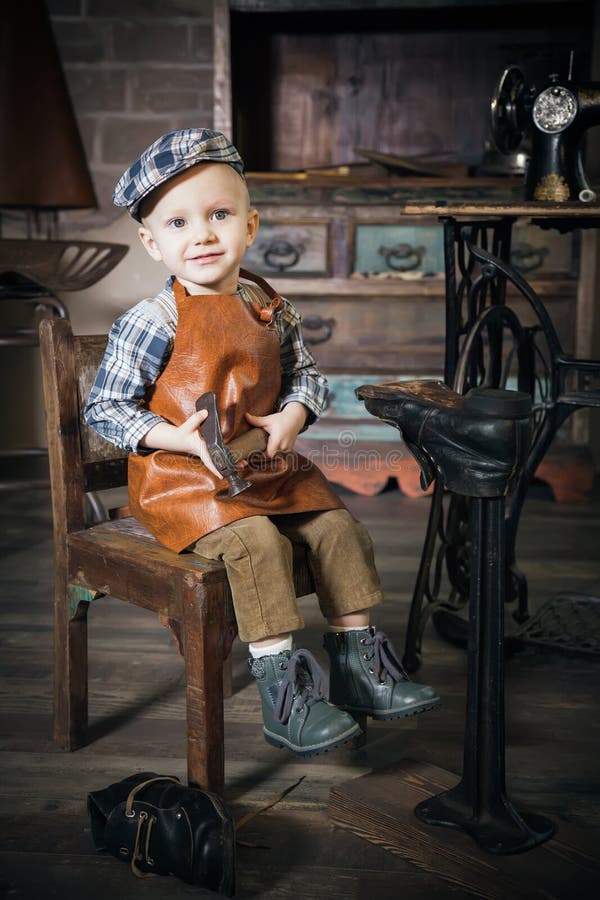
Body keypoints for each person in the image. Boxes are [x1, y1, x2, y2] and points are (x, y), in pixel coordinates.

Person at [85, 128, 439, 758]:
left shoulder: (270, 306)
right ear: (152, 241)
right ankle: (285, 696)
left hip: (264, 466)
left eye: (220, 215)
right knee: (255, 545)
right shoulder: (152, 321)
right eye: (178, 222)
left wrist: (295, 414)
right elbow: (104, 408)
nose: (202, 234)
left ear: (250, 227)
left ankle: (360, 668)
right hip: (184, 481)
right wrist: (173, 436)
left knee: (336, 526)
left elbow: (306, 374)